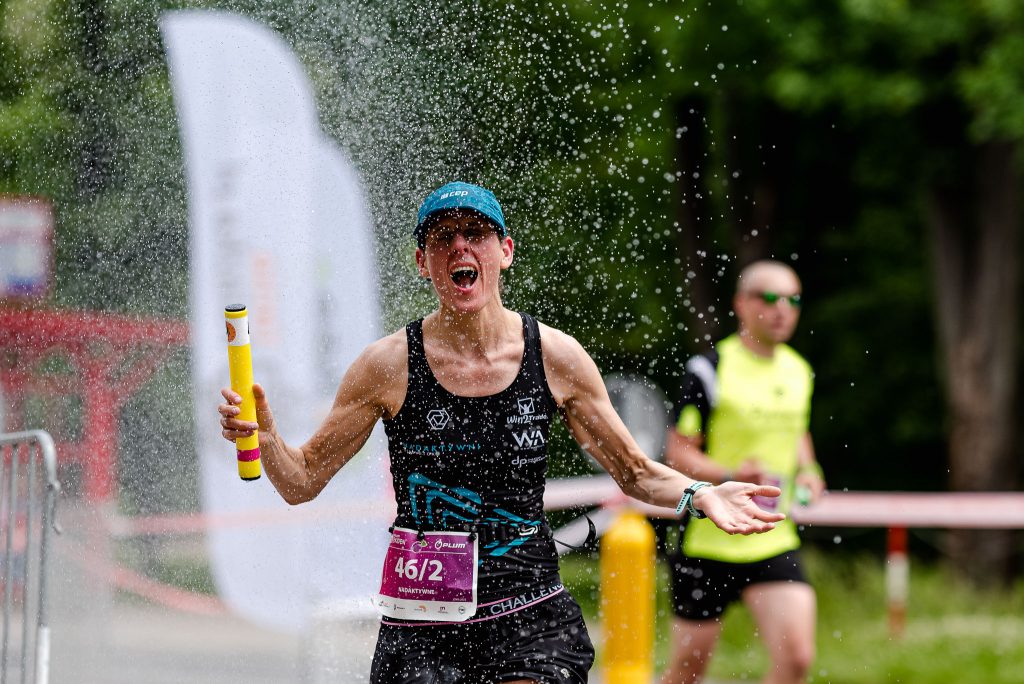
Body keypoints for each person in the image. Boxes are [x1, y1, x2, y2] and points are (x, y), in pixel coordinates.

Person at [219, 181, 785, 684]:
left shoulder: (556, 357)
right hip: (422, 625)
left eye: (476, 234)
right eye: (442, 239)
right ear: (423, 262)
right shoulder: (386, 365)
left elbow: (635, 473)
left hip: (528, 615)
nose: (460, 247)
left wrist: (701, 492)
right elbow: (301, 482)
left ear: (504, 252)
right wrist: (265, 434)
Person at [659, 260, 827, 684]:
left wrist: (809, 469)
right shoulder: (710, 369)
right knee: (687, 670)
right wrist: (731, 471)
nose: (782, 309)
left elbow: (796, 430)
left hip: (772, 537)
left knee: (797, 660)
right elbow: (677, 453)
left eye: (793, 299)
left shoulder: (798, 370)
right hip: (710, 539)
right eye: (770, 298)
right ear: (741, 303)